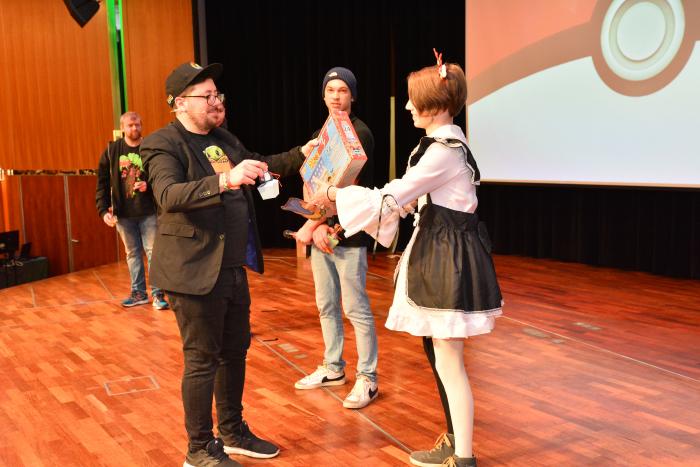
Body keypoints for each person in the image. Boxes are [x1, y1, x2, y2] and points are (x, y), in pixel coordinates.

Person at [311, 52, 503, 467]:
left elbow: (392, 196)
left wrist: (333, 194)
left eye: (415, 99)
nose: (408, 106)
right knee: (437, 354)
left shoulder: (444, 150)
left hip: (448, 259)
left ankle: (463, 457)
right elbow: (404, 199)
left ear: (437, 104)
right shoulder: (439, 146)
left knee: (449, 360)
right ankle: (454, 442)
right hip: (440, 253)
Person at [140, 61, 313, 467]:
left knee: (234, 352)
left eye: (216, 93)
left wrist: (303, 153)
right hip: (192, 271)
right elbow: (168, 194)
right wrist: (225, 180)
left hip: (230, 267)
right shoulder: (162, 143)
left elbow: (260, 162)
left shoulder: (223, 139)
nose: (215, 101)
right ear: (179, 103)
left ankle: (232, 432)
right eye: (206, 96)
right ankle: (199, 448)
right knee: (202, 359)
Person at [293, 67, 379, 409]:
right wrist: (315, 225)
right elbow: (312, 182)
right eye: (331, 90)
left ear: (352, 95)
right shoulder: (321, 134)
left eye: (343, 90)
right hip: (322, 231)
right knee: (326, 304)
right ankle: (333, 368)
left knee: (355, 308)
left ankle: (368, 377)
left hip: (349, 233)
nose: (336, 96)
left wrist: (318, 225)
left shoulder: (360, 133)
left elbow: (347, 189)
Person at [95, 111, 169, 310]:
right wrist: (103, 210)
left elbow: (163, 177)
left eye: (137, 125)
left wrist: (148, 186)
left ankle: (158, 294)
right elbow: (102, 183)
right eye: (130, 125)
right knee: (132, 254)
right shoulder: (112, 150)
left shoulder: (150, 148)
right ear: (122, 128)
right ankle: (139, 293)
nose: (134, 128)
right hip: (123, 214)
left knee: (154, 253)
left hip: (148, 211)